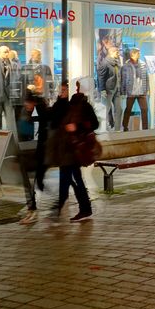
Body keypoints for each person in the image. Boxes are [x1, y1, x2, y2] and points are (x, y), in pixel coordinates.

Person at [54, 85, 97, 222]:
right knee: (70, 179)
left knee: (73, 180)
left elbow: (93, 124)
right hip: (65, 148)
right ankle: (80, 208)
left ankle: (77, 208)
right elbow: (54, 120)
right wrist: (60, 100)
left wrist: (77, 127)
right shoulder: (66, 104)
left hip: (75, 149)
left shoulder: (84, 106)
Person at [18, 90, 50, 224]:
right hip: (33, 151)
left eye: (27, 103)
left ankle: (33, 210)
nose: (26, 105)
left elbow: (36, 132)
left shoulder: (39, 111)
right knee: (32, 182)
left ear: (32, 102)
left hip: (38, 151)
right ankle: (32, 209)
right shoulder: (33, 111)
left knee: (34, 182)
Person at [97, 46, 123, 131]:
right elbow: (101, 77)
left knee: (119, 110)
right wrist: (102, 90)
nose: (118, 54)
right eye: (117, 52)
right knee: (105, 110)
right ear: (111, 52)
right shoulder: (105, 63)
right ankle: (101, 128)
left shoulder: (117, 62)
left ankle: (117, 130)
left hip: (117, 89)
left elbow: (119, 76)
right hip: (108, 90)